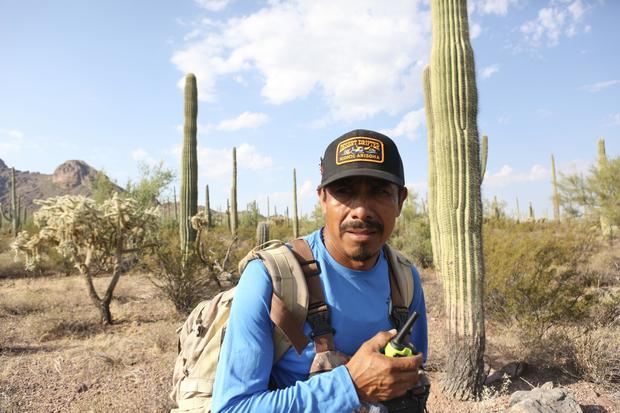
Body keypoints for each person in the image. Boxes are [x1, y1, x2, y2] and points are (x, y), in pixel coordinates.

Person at [212, 129, 428, 413]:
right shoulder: (269, 278)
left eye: (379, 192)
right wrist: (350, 385)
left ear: (400, 201)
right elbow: (232, 408)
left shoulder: (404, 278)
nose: (361, 210)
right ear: (323, 198)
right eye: (345, 192)